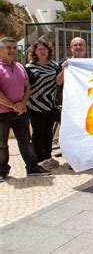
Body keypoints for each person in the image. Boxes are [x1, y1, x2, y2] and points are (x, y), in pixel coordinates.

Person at [0, 37, 51, 182]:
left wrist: (22, 103)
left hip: (21, 112)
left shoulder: (20, 67)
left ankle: (32, 168)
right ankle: (2, 171)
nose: (12, 51)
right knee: (2, 145)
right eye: (8, 48)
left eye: (14, 48)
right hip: (2, 114)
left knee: (25, 142)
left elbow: (27, 87)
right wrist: (13, 105)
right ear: (1, 50)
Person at [24, 39, 63, 170]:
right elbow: (26, 86)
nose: (42, 51)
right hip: (34, 105)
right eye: (39, 49)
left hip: (50, 105)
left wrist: (65, 68)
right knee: (38, 132)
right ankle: (39, 159)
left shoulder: (54, 65)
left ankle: (48, 156)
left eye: (44, 48)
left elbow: (58, 82)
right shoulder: (29, 67)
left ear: (48, 50)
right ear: (34, 51)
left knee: (48, 132)